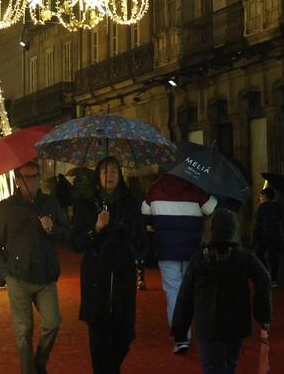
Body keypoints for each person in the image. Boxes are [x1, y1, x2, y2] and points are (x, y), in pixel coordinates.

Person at [0, 161, 71, 374]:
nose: (32, 181)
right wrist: (5, 274)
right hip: (18, 276)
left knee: (52, 323)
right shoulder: (5, 207)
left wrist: (53, 229)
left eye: (35, 176)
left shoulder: (50, 203)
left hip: (45, 275)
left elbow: (68, 233)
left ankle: (39, 364)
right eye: (27, 177)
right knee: (23, 332)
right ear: (18, 181)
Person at [171, 208, 272, 374]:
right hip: (236, 321)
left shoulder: (200, 259)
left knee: (212, 367)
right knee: (230, 364)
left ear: (212, 230)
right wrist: (262, 314)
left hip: (208, 322)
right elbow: (264, 279)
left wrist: (179, 328)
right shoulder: (244, 257)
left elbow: (185, 296)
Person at [72, 157, 148, 373]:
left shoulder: (131, 202)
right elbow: (75, 243)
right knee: (98, 334)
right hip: (96, 278)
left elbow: (142, 240)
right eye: (105, 170)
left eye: (114, 170)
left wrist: (133, 252)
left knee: (124, 334)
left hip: (123, 275)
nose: (110, 175)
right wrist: (95, 228)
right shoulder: (86, 203)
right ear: (98, 175)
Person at [141, 172, 217, 353]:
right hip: (193, 251)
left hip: (166, 250)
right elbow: (214, 208)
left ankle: (181, 337)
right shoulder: (196, 189)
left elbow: (145, 213)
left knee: (172, 291)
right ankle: (205, 331)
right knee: (195, 290)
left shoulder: (155, 189)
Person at [253, 187, 284, 286]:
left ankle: (266, 272)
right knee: (274, 257)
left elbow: (258, 223)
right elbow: (281, 220)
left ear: (265, 196)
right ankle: (274, 278)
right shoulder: (278, 206)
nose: (261, 198)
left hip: (264, 234)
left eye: (262, 196)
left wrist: (255, 236)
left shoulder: (262, 207)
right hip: (275, 234)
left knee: (259, 254)